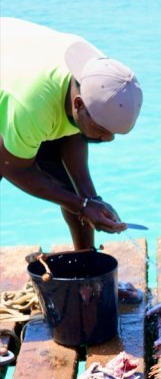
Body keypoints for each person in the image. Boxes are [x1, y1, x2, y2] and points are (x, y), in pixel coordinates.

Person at [0, 17, 143, 252]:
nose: (108, 139)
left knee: (75, 195)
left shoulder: (103, 76)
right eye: (103, 130)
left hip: (21, 72)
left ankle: (85, 263)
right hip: (14, 88)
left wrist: (89, 199)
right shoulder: (31, 107)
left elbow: (72, 132)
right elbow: (12, 166)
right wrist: (81, 204)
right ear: (78, 105)